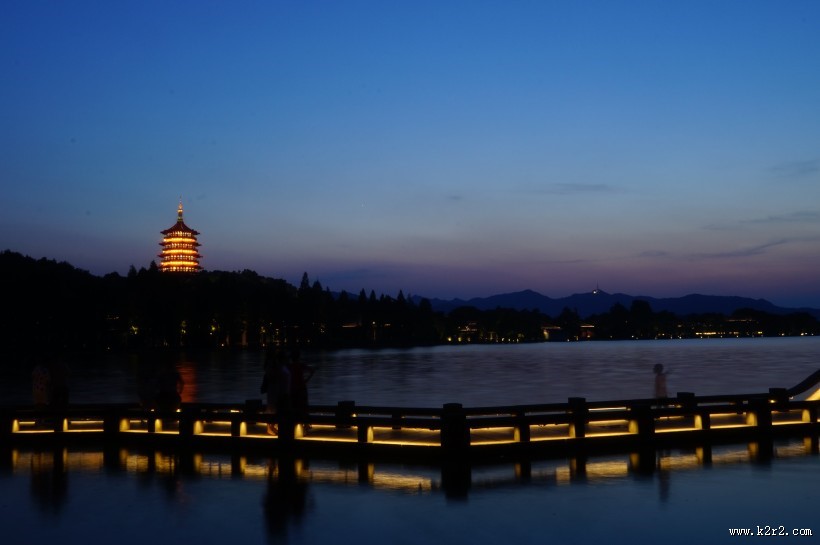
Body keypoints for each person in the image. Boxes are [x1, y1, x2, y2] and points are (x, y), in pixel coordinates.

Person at [261, 351, 291, 435]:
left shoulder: (279, 367)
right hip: (277, 391)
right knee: (273, 409)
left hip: (278, 391)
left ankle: (272, 427)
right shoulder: (278, 368)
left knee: (274, 408)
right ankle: (270, 427)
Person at [288, 349, 315, 429]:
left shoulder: (289, 366)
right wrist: (306, 380)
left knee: (295, 406)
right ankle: (306, 424)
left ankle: (297, 424)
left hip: (293, 389)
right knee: (303, 406)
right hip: (301, 388)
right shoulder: (301, 365)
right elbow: (312, 371)